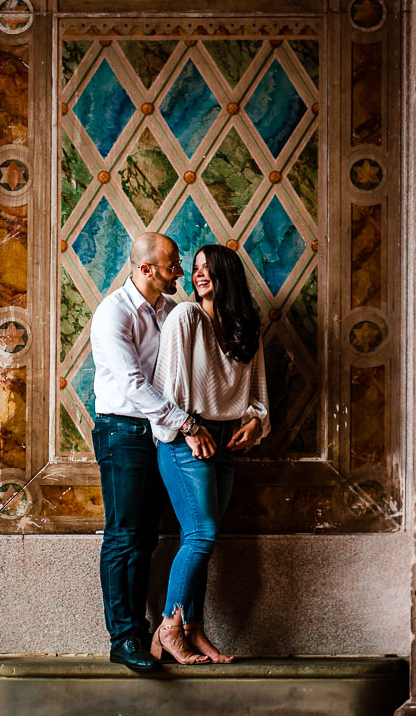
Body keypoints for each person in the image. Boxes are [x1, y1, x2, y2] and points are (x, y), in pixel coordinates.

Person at [149, 242, 270, 664]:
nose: (199, 275)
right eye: (195, 268)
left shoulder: (246, 327)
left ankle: (194, 629)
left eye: (208, 268)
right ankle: (168, 627)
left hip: (226, 443)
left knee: (199, 538)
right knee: (202, 535)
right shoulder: (186, 317)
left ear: (227, 275)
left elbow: (257, 397)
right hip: (188, 438)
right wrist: (190, 428)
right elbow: (168, 388)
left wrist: (254, 422)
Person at [89, 231, 205, 673]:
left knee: (149, 538)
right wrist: (187, 424)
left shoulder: (171, 311)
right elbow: (134, 385)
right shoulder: (112, 314)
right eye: (173, 264)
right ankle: (124, 638)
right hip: (122, 432)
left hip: (158, 433)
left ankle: (146, 632)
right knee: (124, 536)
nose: (180, 271)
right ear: (146, 269)